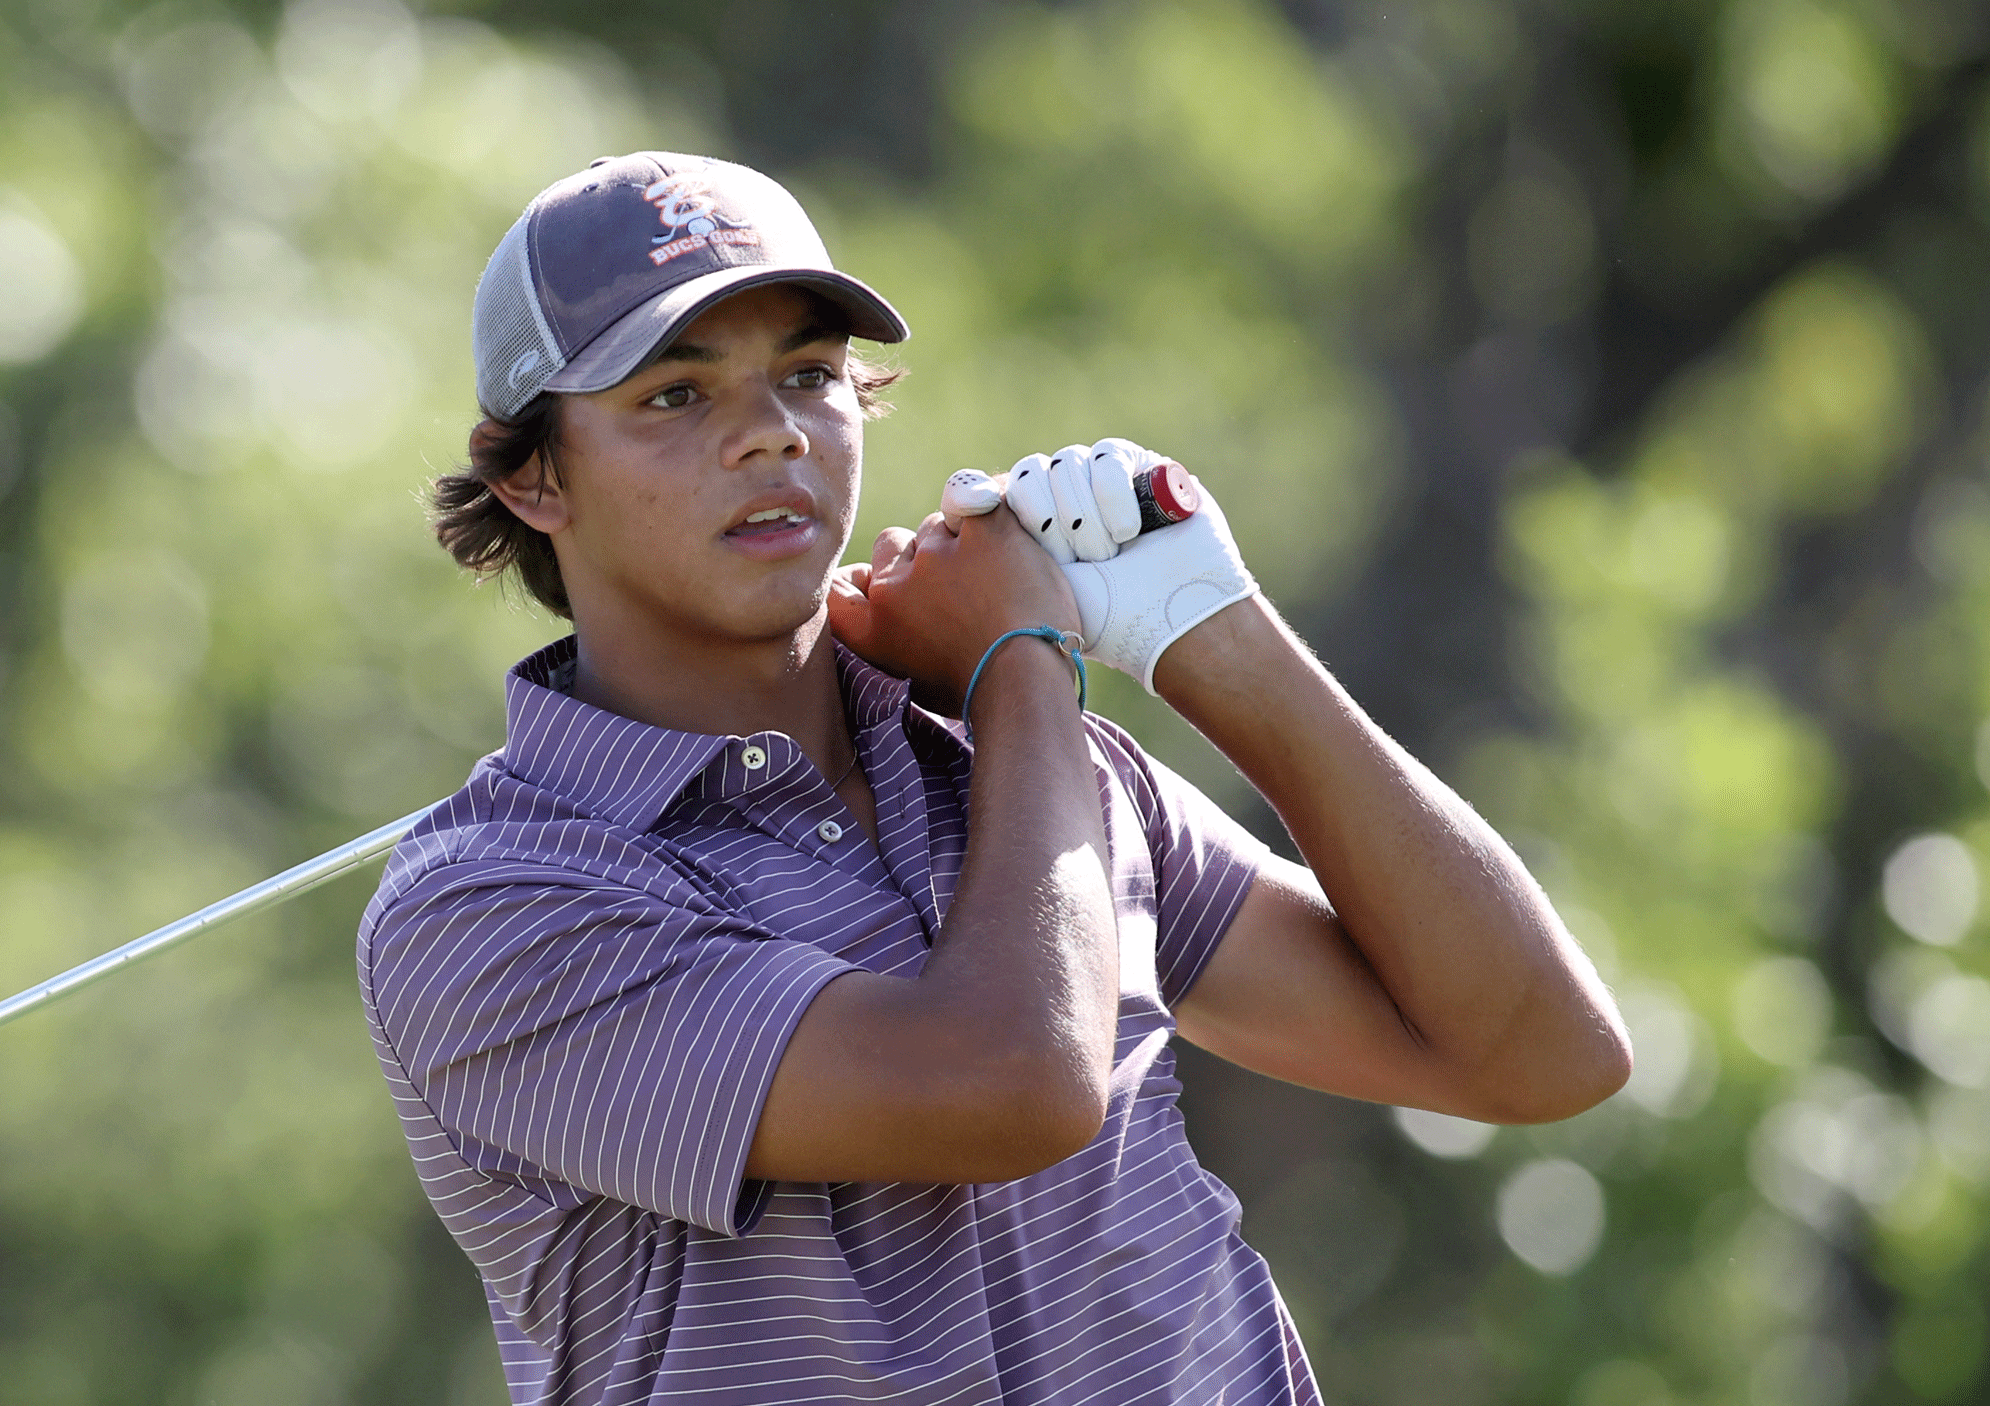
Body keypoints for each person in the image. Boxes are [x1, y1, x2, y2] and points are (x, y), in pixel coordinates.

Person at [357, 152, 1629, 1406]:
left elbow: (1535, 1055)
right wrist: (1024, 659)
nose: (772, 435)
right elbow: (1014, 1083)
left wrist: (1217, 637)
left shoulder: (1013, 764)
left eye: (808, 374)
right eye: (675, 397)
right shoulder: (484, 907)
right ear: (530, 474)